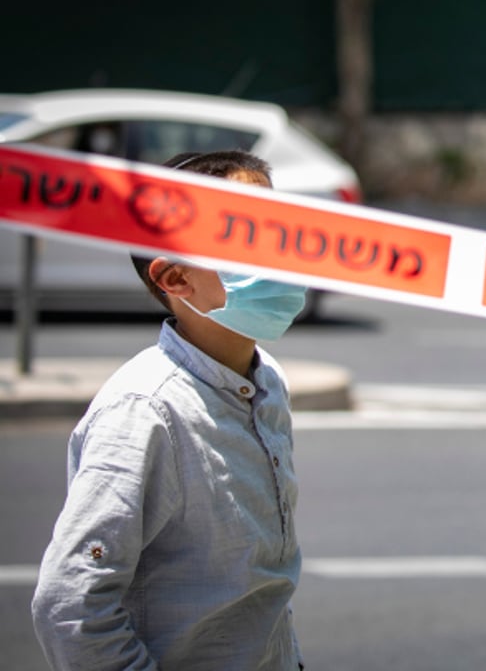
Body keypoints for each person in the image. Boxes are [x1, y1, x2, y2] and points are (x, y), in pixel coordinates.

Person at [31, 150, 308, 670]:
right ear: (175, 279)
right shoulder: (145, 410)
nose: (278, 252)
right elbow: (70, 605)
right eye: (245, 237)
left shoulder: (265, 379)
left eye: (279, 228)